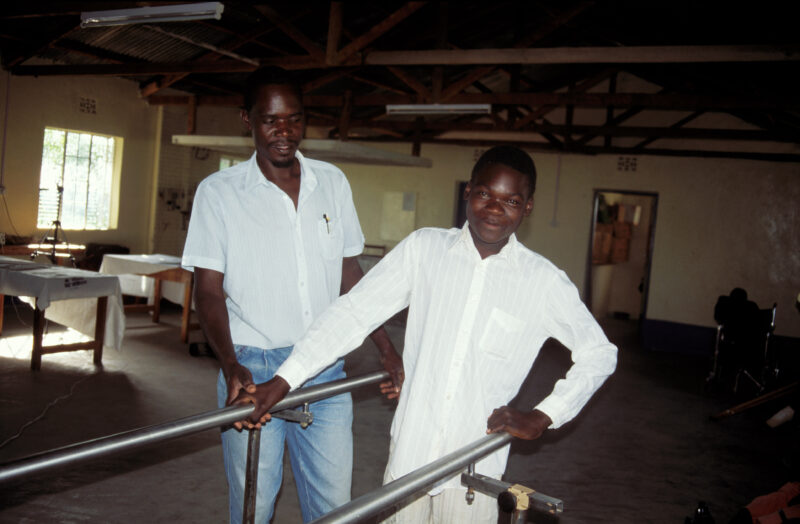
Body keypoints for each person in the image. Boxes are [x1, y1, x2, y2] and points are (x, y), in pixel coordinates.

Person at [235, 145, 617, 523]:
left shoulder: (543, 282)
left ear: (528, 207)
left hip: (474, 470)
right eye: (485, 194)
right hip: (409, 460)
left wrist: (544, 415)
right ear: (469, 191)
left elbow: (599, 353)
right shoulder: (425, 250)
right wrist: (284, 381)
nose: (495, 209)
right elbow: (353, 313)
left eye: (511, 201)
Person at [181, 67, 403, 524]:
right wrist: (229, 364)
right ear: (248, 119)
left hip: (324, 368)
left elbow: (350, 275)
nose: (284, 132)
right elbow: (207, 291)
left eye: (294, 119)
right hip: (253, 366)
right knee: (254, 506)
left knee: (334, 508)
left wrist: (386, 348)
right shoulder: (219, 194)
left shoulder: (332, 184)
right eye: (270, 120)